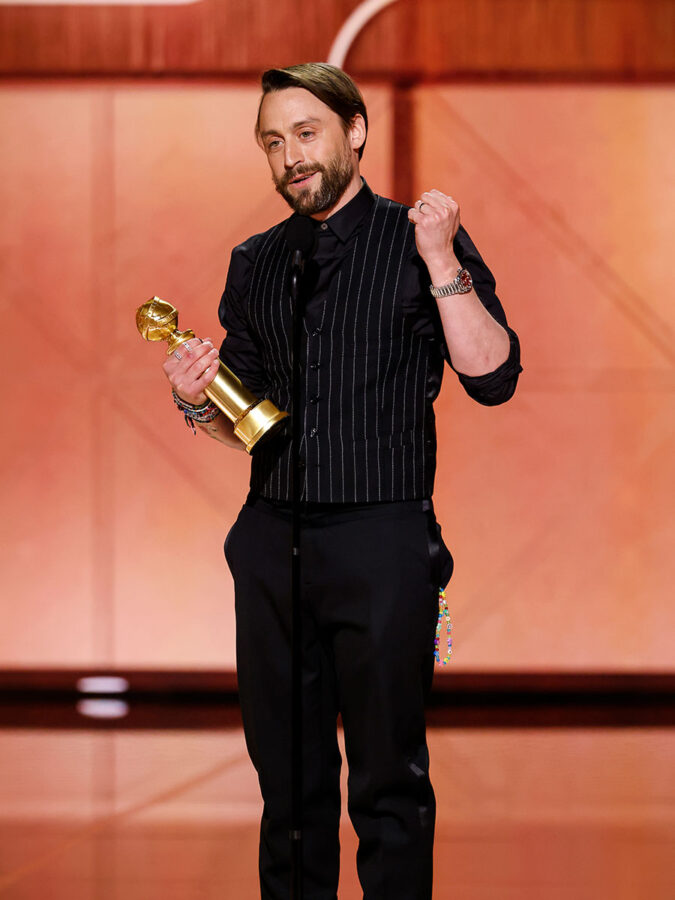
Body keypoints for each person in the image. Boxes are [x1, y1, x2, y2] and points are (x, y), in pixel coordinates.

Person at [163, 63, 522, 900]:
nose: (289, 155)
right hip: (270, 543)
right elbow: (244, 421)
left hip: (388, 546)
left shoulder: (418, 239)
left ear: (354, 131)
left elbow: (493, 374)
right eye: (271, 141)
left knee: (388, 777)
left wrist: (441, 262)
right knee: (286, 784)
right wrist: (194, 401)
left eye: (305, 132)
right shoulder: (254, 262)